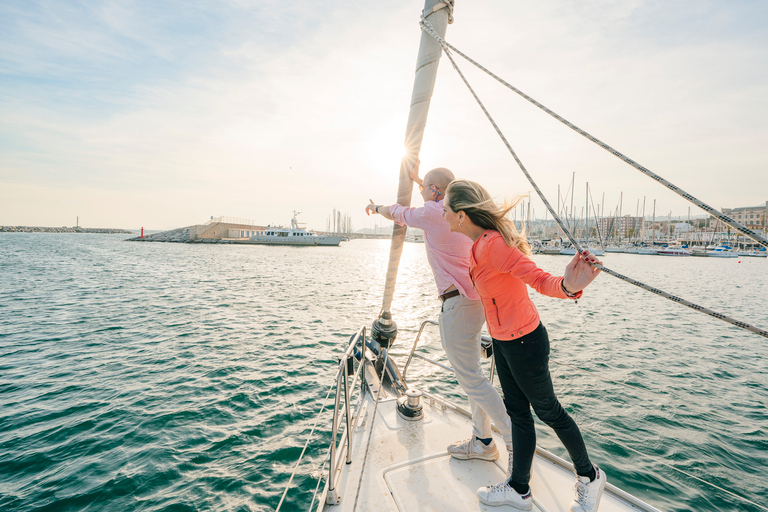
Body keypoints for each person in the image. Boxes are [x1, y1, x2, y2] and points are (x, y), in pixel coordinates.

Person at [443, 179, 606, 512]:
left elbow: (538, 278)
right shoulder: (477, 245)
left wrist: (569, 285)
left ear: (461, 215)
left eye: (445, 210)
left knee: (549, 412)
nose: (442, 215)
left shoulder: (493, 245)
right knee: (518, 414)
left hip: (525, 342)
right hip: (504, 342)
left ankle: (590, 477)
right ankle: (519, 489)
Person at [366, 161, 514, 464]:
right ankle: (483, 440)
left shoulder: (435, 213)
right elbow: (438, 189)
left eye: (423, 188)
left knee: (472, 379)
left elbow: (398, 213)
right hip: (477, 302)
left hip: (456, 304)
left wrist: (375, 205)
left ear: (434, 192)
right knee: (473, 374)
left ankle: (515, 440)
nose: (420, 192)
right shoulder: (465, 213)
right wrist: (420, 179)